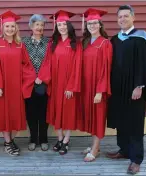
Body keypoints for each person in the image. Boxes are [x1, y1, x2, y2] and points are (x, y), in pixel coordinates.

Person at [106, 5, 146, 175]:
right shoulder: (115, 39)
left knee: (134, 123)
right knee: (121, 120)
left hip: (135, 89)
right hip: (118, 88)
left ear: (133, 18)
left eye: (126, 16)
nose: (123, 19)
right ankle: (124, 150)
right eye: (120, 17)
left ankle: (136, 159)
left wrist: (140, 86)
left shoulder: (142, 39)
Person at [0, 10, 36, 156]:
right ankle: (7, 142)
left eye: (12, 26)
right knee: (4, 115)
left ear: (16, 28)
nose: (10, 29)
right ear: (2, 28)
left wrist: (25, 84)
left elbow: (27, 66)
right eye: (7, 26)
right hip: (3, 88)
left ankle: (11, 141)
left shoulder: (20, 45)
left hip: (17, 87)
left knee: (15, 116)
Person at [37, 10, 82, 155]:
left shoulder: (76, 44)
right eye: (59, 24)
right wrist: (42, 77)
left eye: (64, 24)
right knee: (56, 112)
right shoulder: (53, 43)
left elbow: (77, 66)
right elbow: (47, 62)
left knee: (67, 113)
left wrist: (71, 86)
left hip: (68, 85)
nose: (62, 27)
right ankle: (60, 139)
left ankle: (66, 141)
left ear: (69, 26)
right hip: (55, 85)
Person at [77, 8, 112, 162]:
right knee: (91, 117)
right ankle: (94, 145)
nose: (92, 25)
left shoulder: (105, 43)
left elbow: (106, 69)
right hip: (86, 87)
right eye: (89, 23)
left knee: (98, 117)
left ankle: (96, 149)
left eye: (95, 23)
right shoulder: (85, 42)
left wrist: (100, 91)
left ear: (100, 24)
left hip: (98, 87)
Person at [22, 14, 50, 151]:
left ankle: (44, 139)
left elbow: (51, 63)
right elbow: (21, 63)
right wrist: (33, 77)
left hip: (45, 83)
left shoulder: (49, 43)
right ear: (31, 26)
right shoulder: (23, 42)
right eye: (37, 25)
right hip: (28, 83)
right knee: (31, 113)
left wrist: (42, 77)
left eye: (42, 25)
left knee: (44, 112)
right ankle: (33, 138)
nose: (39, 27)